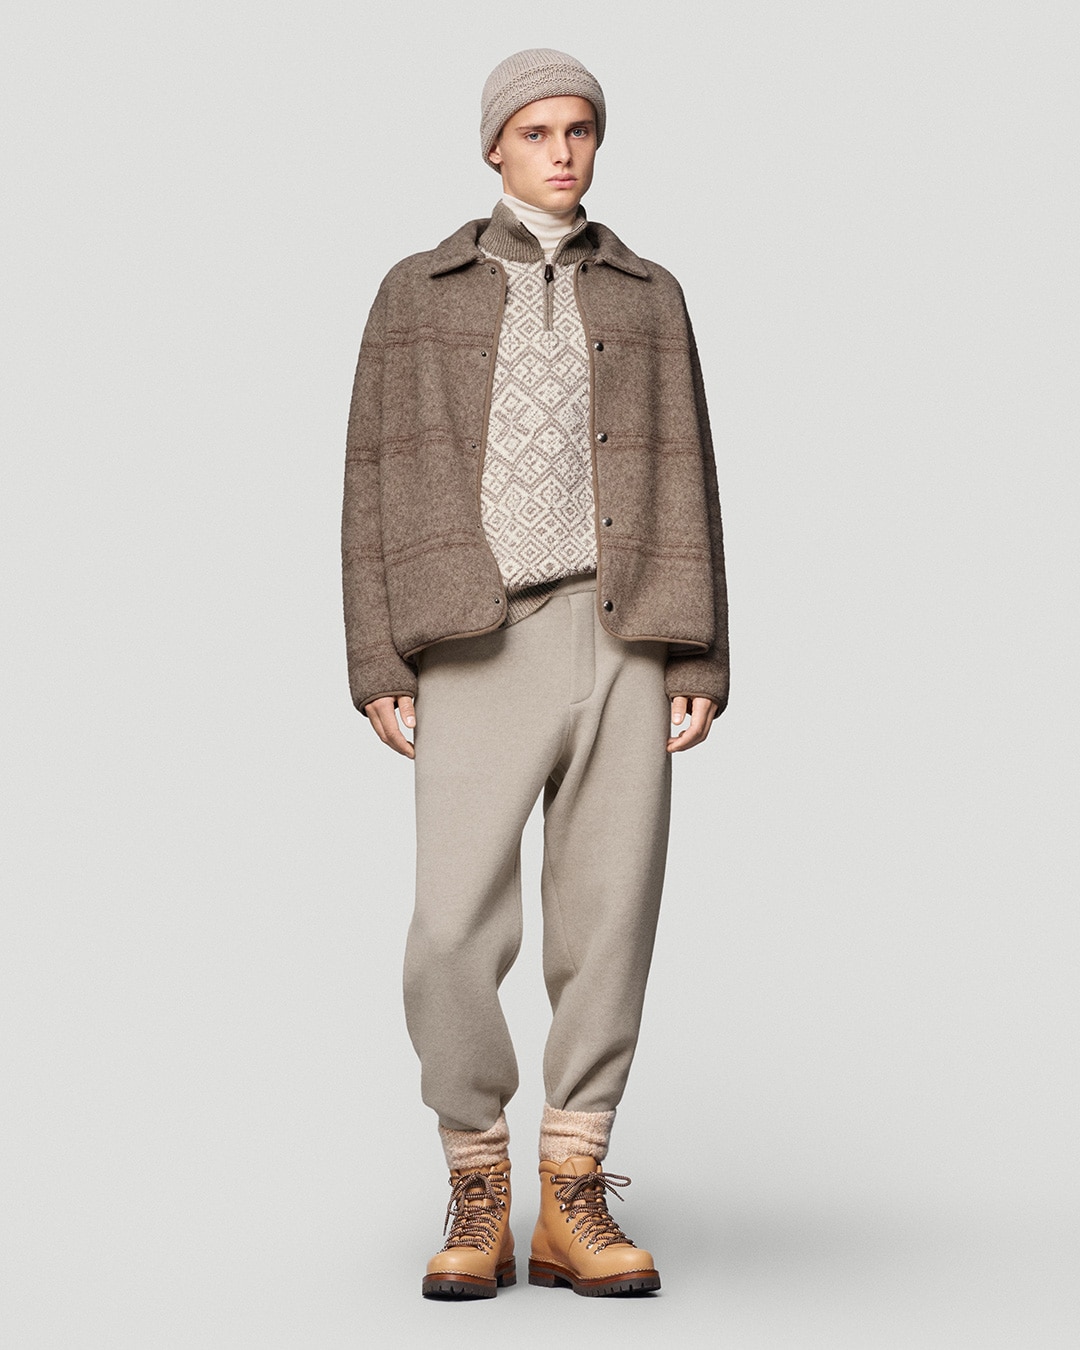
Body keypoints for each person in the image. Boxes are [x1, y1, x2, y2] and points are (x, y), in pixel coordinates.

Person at [342, 48, 728, 1300]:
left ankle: (571, 1193)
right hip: (474, 633)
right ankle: (476, 1181)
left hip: (625, 631)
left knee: (610, 918)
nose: (562, 152)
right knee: (452, 929)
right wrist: (376, 654)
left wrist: (701, 649)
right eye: (535, 131)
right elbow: (368, 478)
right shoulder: (418, 292)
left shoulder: (651, 295)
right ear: (494, 147)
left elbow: (692, 470)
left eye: (579, 130)